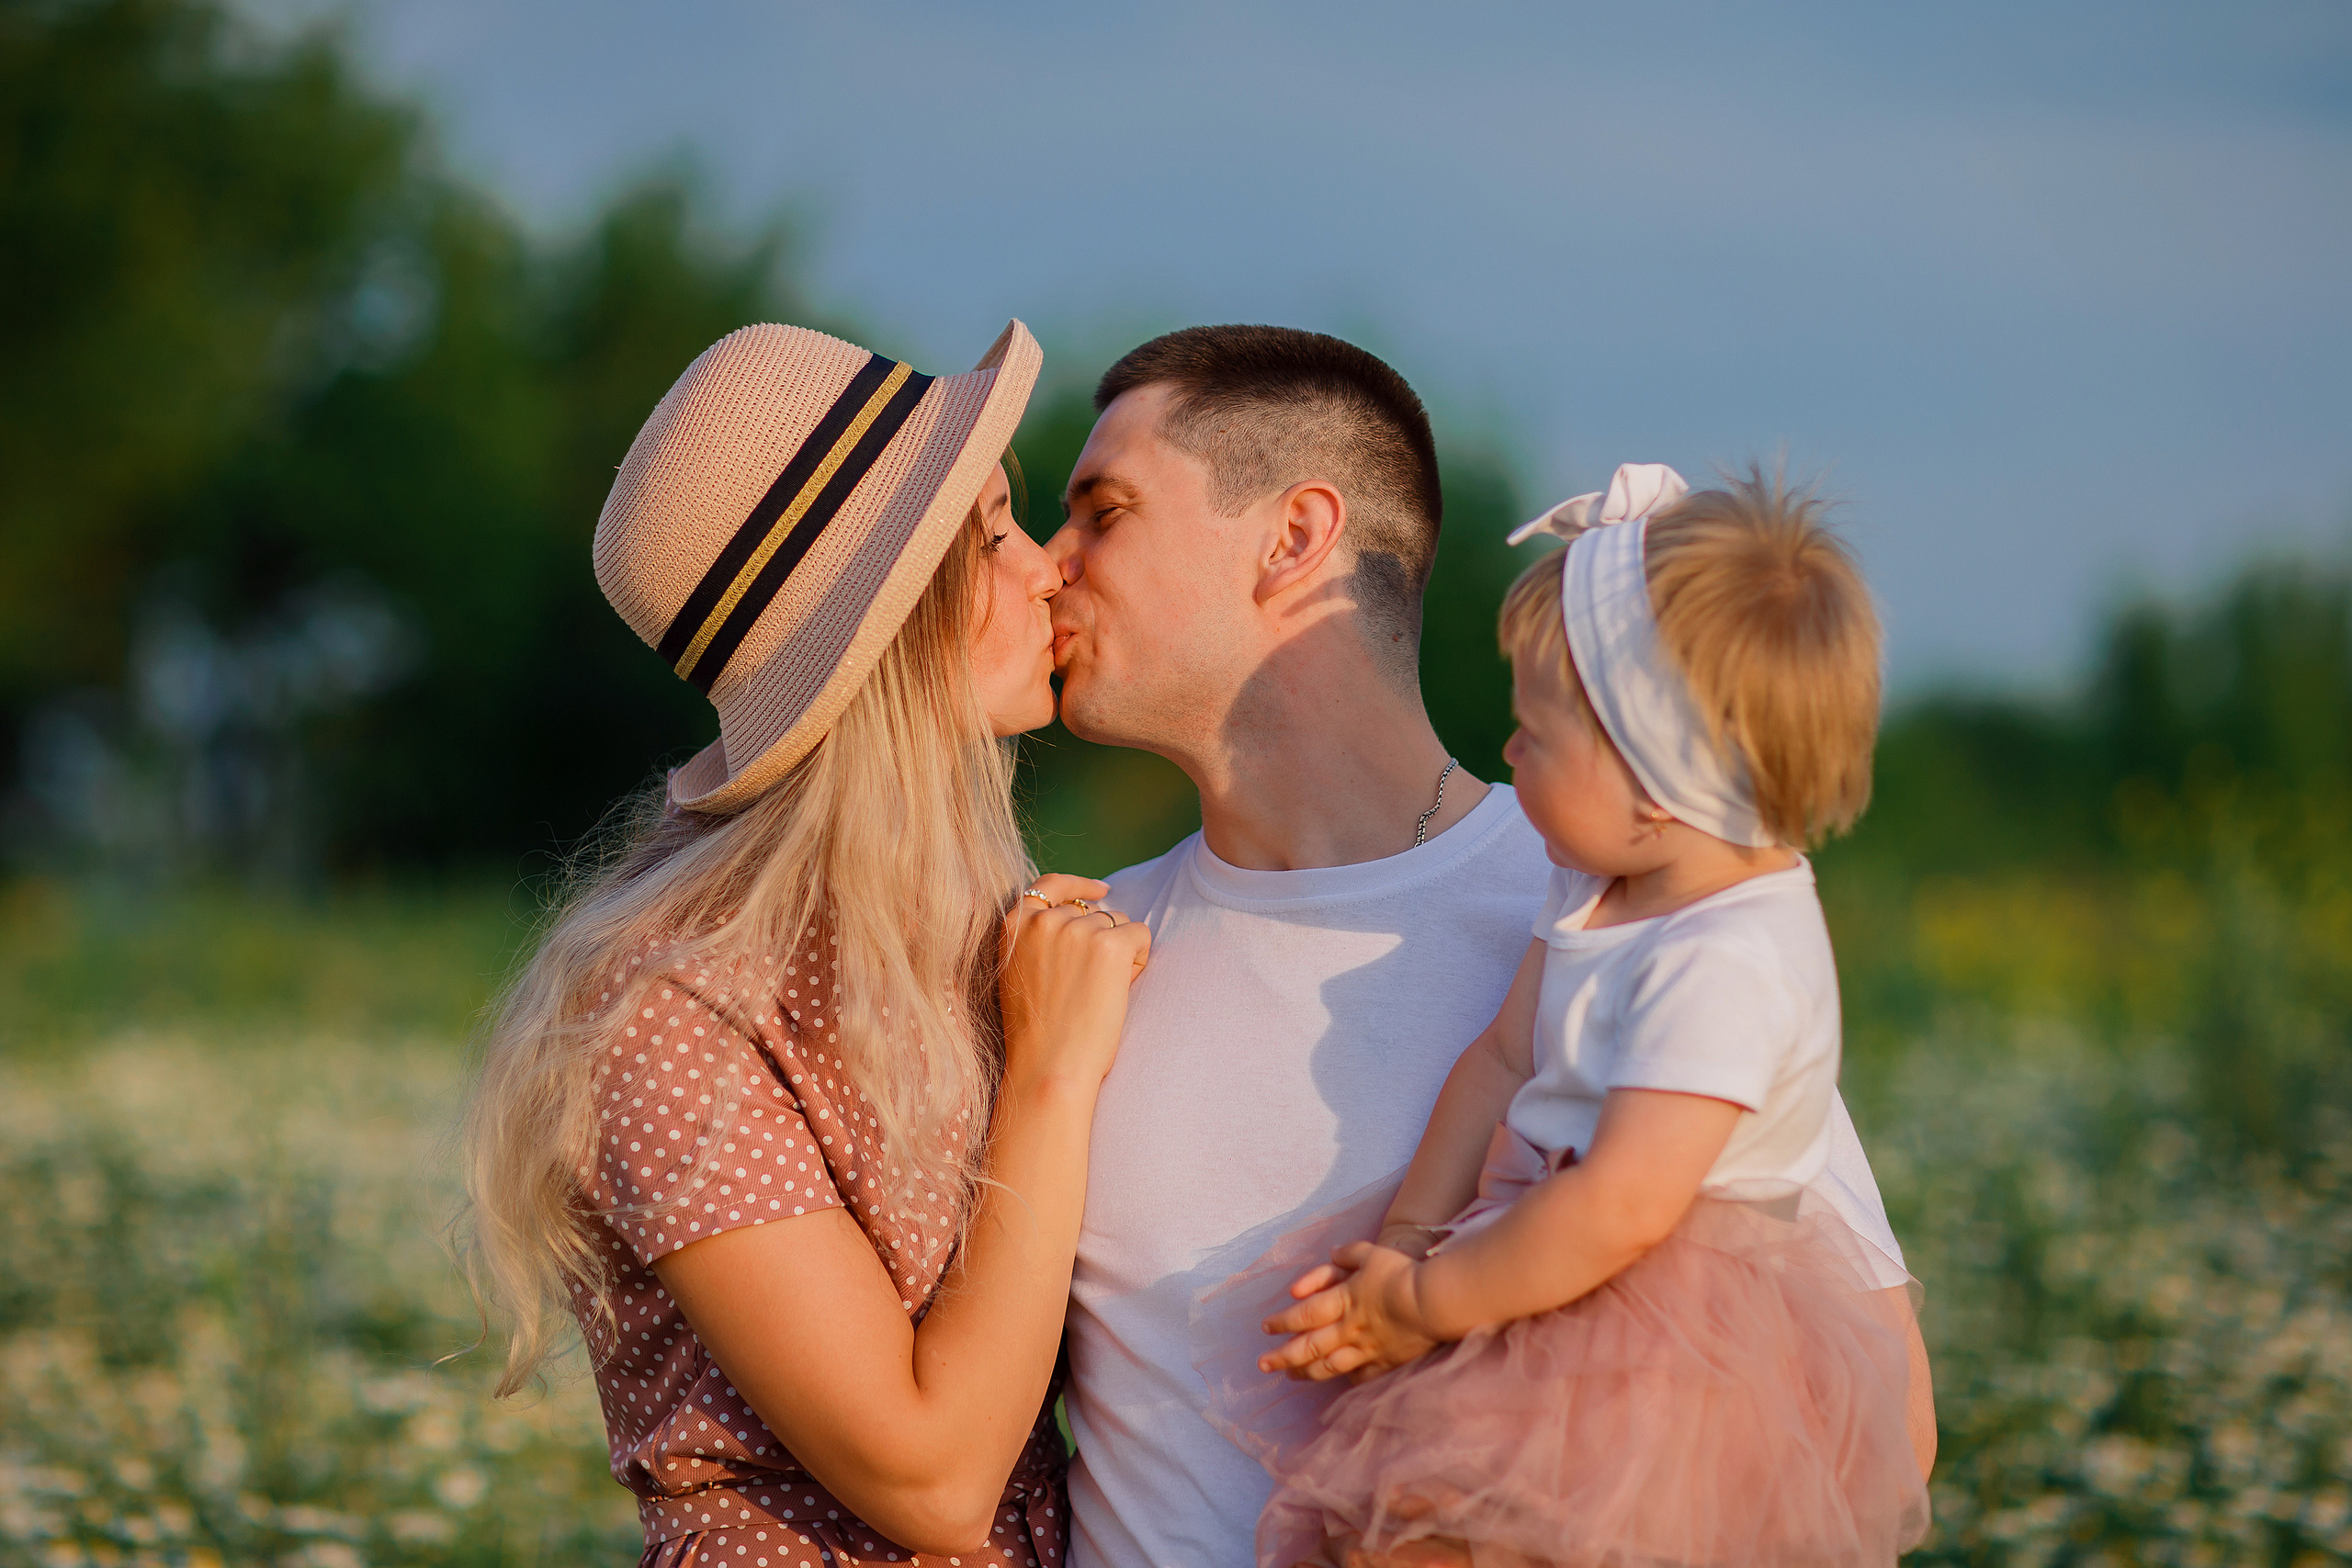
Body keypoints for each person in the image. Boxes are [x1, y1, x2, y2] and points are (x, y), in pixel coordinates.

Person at [1040, 326, 1927, 1568]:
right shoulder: (1067, 958)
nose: (1047, 563)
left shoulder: (1652, 907)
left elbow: (1879, 1422)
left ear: (1293, 537)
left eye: (1103, 511)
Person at [458, 319, 1152, 1568]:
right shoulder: (666, 1007)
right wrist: (1052, 1075)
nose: (1046, 567)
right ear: (895, 616)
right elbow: (932, 1481)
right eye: (993, 533)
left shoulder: (949, 933)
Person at [1237, 462, 1930, 1567]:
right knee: (1400, 1531)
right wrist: (1409, 1239)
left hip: (1665, 1345)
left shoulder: (1729, 957)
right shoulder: (1597, 885)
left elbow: (1624, 1204)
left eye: (1536, 735)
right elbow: (1503, 1060)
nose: (1507, 753)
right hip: (1526, 1264)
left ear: (1655, 778)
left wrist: (1420, 1306)